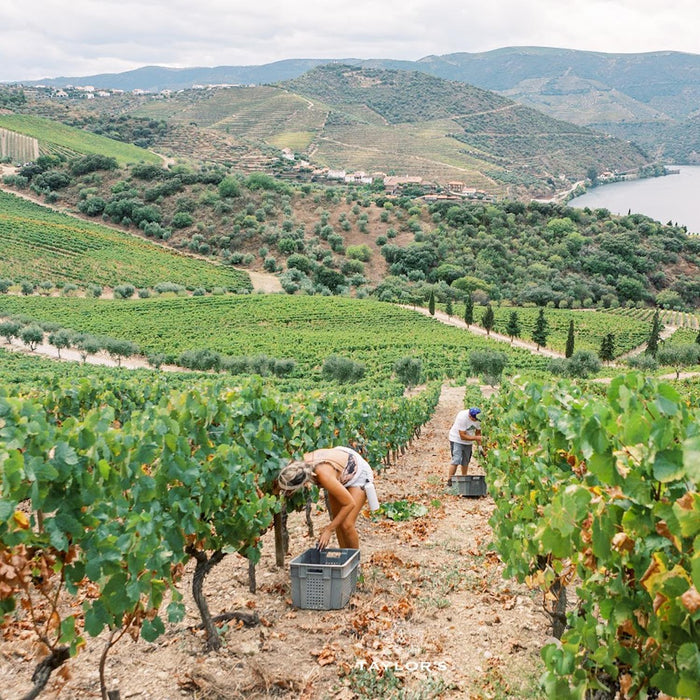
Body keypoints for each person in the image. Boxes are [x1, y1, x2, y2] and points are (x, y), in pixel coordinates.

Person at [277, 446, 375, 549]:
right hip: (339, 467)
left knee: (346, 524)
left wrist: (328, 530)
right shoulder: (296, 467)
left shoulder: (324, 475)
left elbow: (350, 504)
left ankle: (355, 562)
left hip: (358, 473)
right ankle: (345, 558)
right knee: (337, 521)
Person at [447, 406, 482, 486]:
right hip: (457, 439)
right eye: (474, 419)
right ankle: (449, 480)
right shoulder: (462, 417)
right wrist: (476, 438)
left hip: (468, 441)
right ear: (470, 416)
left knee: (466, 461)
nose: (475, 421)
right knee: (456, 459)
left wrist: (480, 446)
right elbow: (462, 436)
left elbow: (478, 432)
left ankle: (464, 479)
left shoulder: (479, 418)